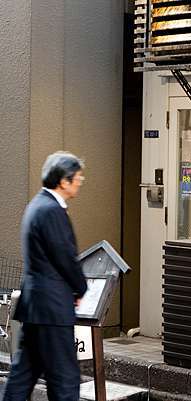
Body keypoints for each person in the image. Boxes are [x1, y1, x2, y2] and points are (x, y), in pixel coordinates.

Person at [2, 151, 88, 401]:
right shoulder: (52, 210)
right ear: (64, 181)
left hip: (34, 306)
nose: (80, 182)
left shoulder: (36, 205)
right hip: (52, 307)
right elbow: (65, 256)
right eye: (78, 178)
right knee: (64, 378)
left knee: (24, 373)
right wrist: (80, 288)